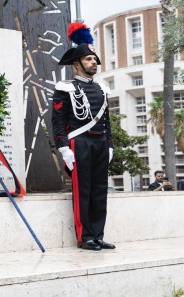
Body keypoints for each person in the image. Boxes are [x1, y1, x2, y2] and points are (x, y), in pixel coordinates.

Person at [51, 22, 115, 251]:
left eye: (95, 59)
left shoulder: (102, 89)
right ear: (76, 64)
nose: (94, 63)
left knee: (99, 192)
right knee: (83, 191)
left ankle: (98, 235)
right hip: (79, 143)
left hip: (99, 143)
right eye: (89, 60)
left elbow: (107, 122)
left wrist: (109, 145)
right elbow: (57, 121)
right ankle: (85, 237)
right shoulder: (65, 87)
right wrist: (63, 147)